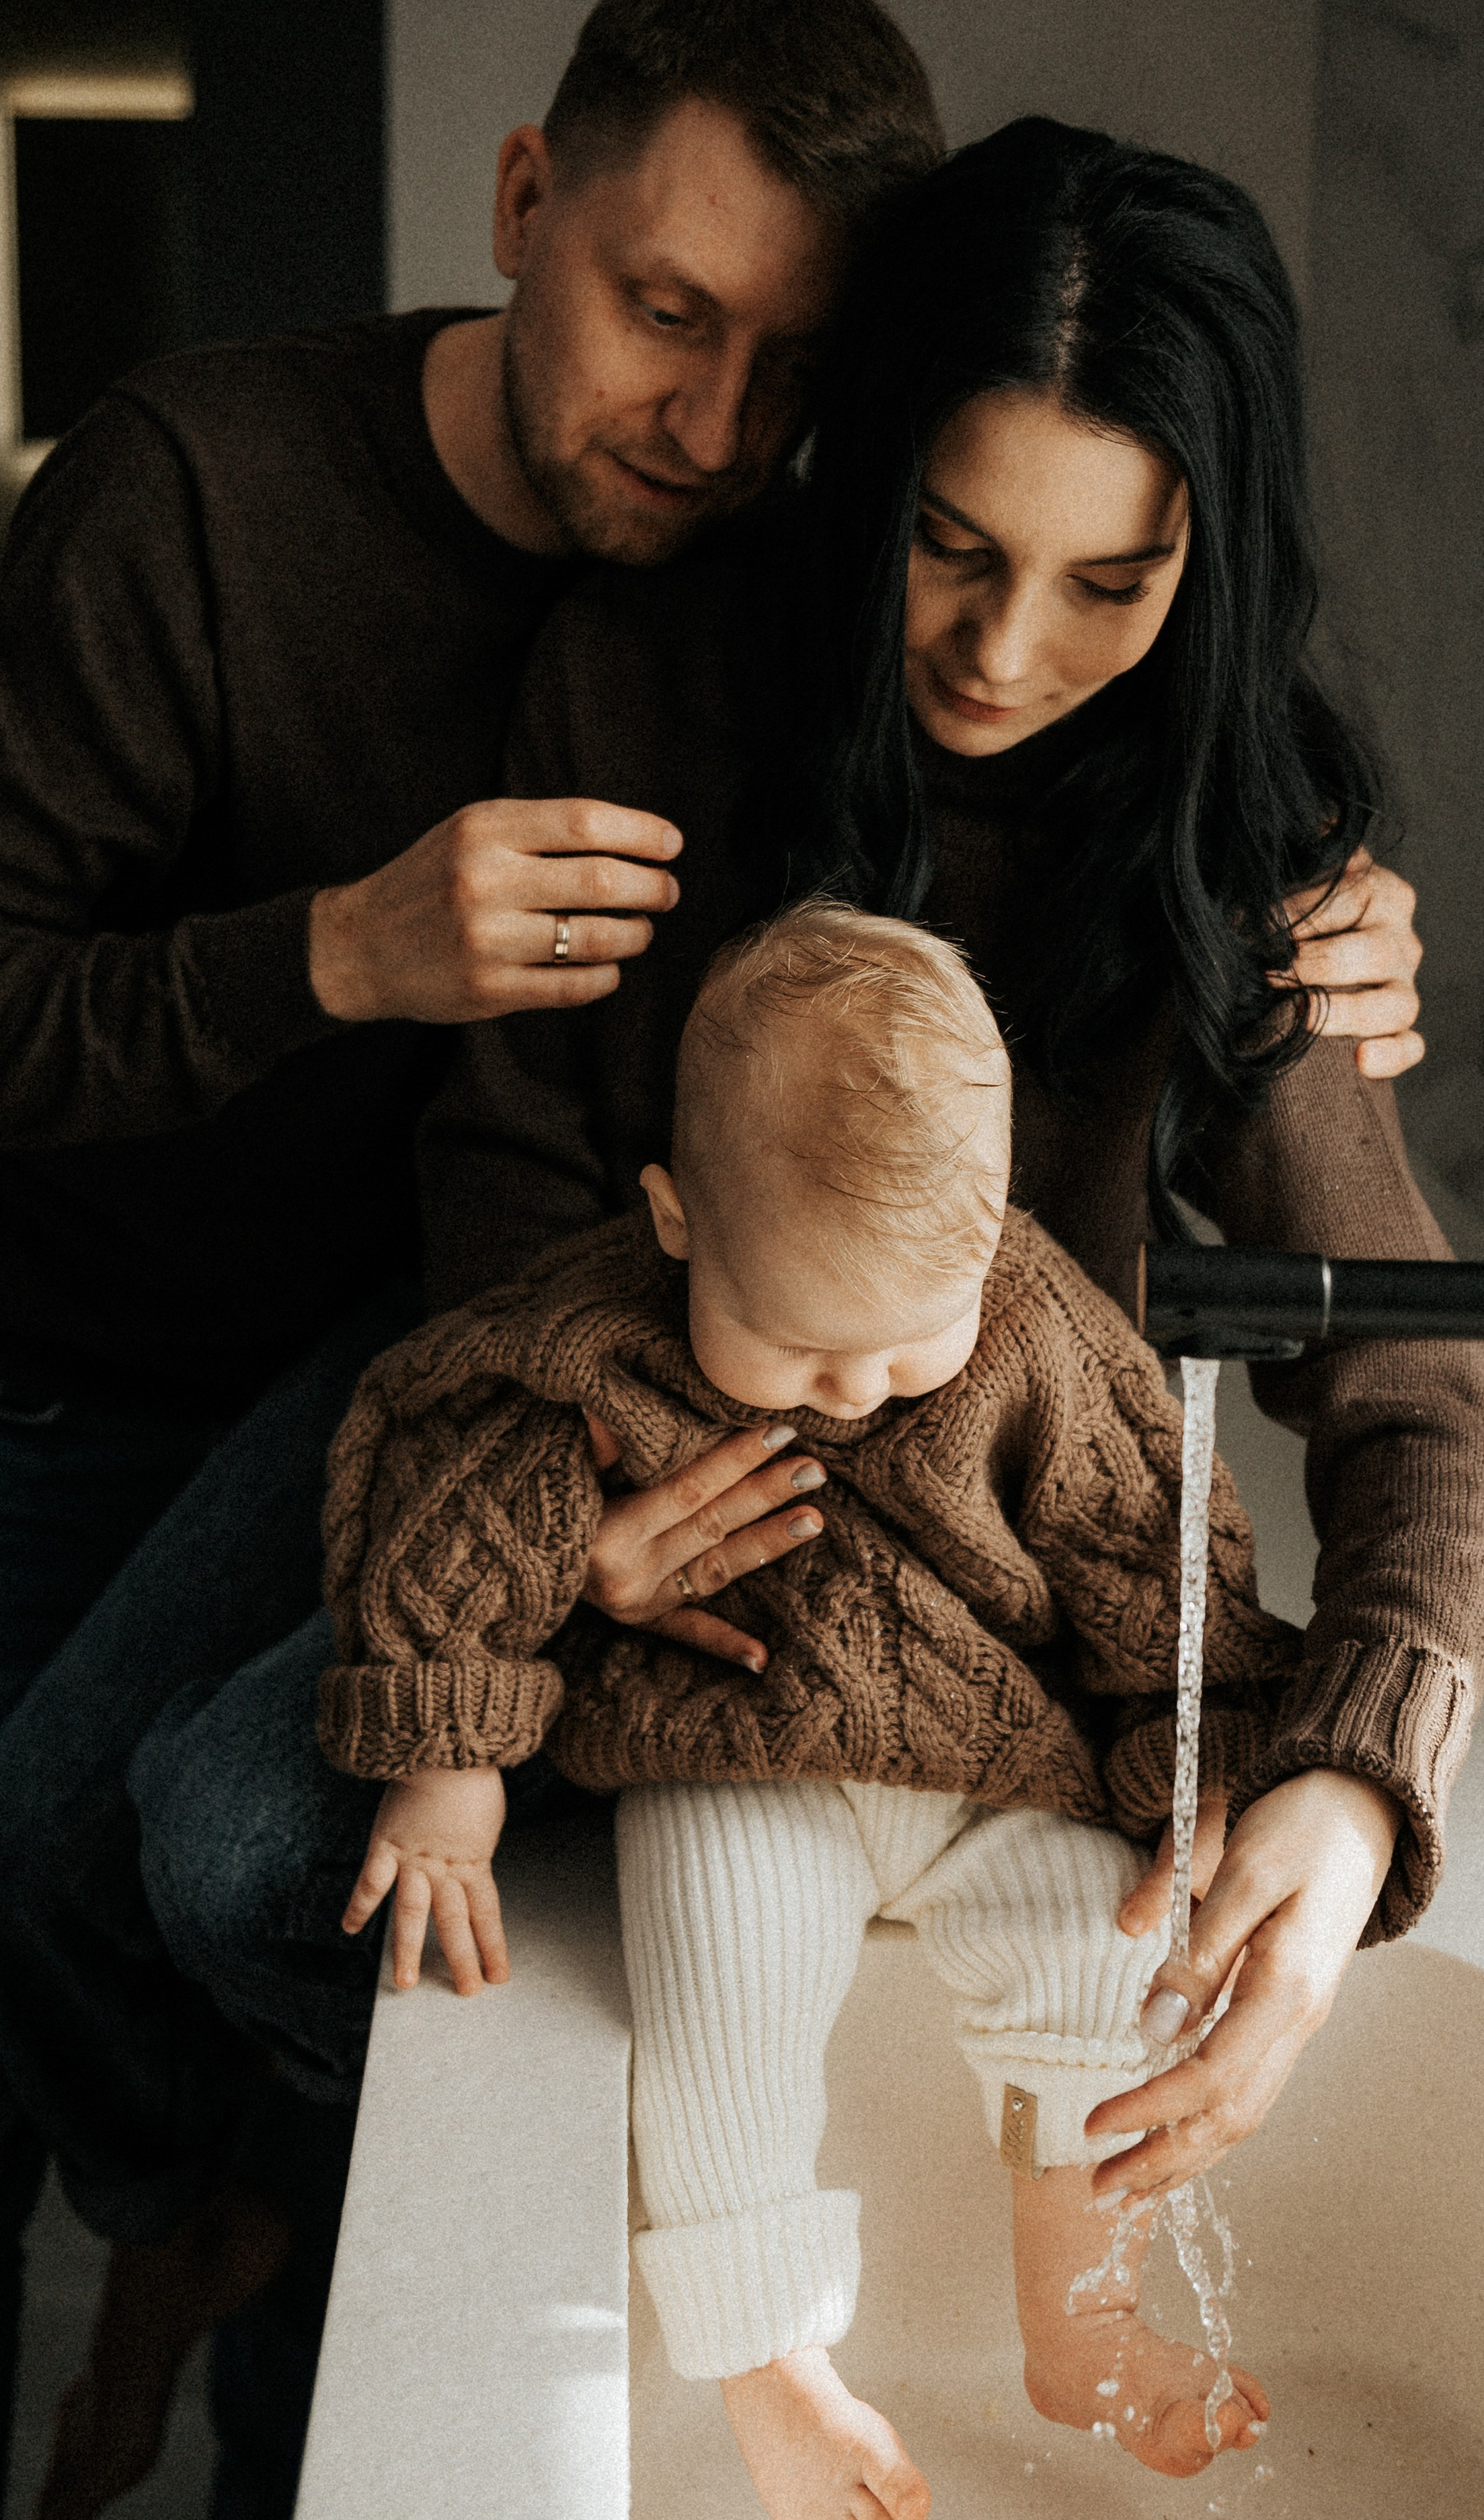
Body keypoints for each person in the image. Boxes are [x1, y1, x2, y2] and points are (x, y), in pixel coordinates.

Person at [0, 67, 1426, 2520]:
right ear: (866, 476)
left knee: (232, 1843)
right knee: (87, 1840)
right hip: (578, 1379)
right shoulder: (660, 677)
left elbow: (1410, 1359)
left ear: (1209, 558)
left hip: (938, 1511)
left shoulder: (1234, 835)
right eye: (951, 546)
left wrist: (1364, 1788)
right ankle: (251, 2214)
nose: (1005, 647)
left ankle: (346, 2230)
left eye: (1109, 580)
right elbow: (510, 1185)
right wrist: (577, 1545)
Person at [0, 0, 951, 2519]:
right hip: (6, 1408)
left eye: (788, 361)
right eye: (665, 312)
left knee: (355, 2058)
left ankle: (223, 2309)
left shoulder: (756, 581)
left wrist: (1325, 916)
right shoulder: (193, 481)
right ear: (526, 201)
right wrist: (334, 950)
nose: (718, 420)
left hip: (359, 1405)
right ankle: (159, 2225)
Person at [319, 901, 1287, 2513]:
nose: (850, 1391)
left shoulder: (1040, 1340)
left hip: (994, 1774)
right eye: (792, 1348)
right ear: (675, 1217)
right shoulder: (597, 1331)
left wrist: (1201, 1762)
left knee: (1104, 1955)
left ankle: (1081, 2311)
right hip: (738, 1752)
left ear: (991, 1231)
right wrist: (450, 1767)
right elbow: (457, 1498)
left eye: (906, 1351)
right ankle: (772, 2366)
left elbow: (1155, 1566)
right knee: (720, 2002)